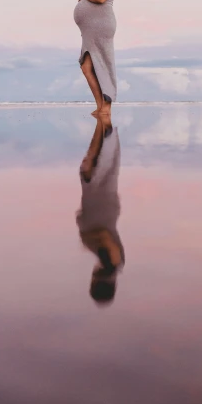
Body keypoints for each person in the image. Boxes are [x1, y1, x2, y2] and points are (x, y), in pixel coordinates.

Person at [76, 117, 124, 306]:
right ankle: (104, 120)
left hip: (101, 207)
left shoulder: (113, 264)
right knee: (96, 163)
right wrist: (87, 239)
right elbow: (102, 235)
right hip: (99, 207)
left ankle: (104, 121)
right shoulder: (110, 264)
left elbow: (103, 239)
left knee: (100, 161)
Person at [73, 0, 120, 122]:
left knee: (103, 64)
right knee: (86, 66)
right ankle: (100, 105)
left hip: (101, 26)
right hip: (91, 29)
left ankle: (105, 108)